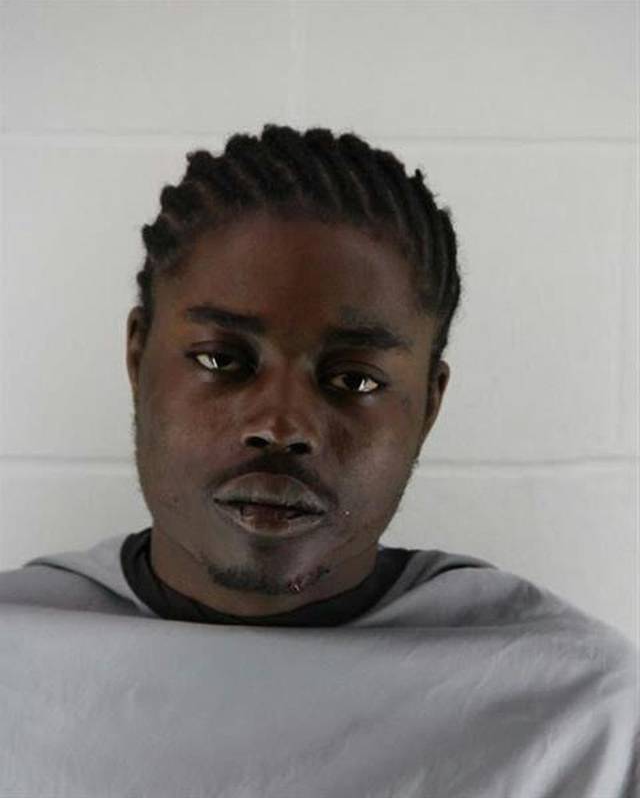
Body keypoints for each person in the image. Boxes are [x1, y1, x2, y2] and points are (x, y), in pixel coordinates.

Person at [0, 124, 637, 797]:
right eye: (221, 360)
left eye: (354, 380)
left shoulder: (578, 712)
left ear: (428, 402)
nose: (280, 426)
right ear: (138, 356)